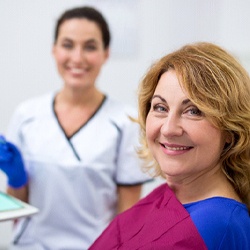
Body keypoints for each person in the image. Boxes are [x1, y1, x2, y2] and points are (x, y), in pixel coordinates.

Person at [0, 6, 150, 250]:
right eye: (68, 45)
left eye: (90, 46)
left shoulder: (125, 122)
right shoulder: (26, 115)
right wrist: (16, 178)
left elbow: (128, 215)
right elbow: (18, 209)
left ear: (106, 53)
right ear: (54, 49)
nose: (77, 58)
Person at [89, 42, 250, 249]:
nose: (168, 129)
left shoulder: (219, 226)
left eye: (193, 111)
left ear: (230, 129)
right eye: (160, 107)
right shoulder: (171, 195)